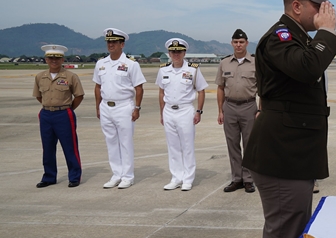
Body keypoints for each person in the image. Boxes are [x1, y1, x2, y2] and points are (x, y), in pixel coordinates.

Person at [242, 0, 336, 238]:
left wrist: (319, 36)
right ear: (297, 6)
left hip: (292, 152)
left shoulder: (296, 37)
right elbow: (307, 68)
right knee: (284, 235)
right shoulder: (280, 38)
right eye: (319, 6)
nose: (325, 11)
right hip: (281, 154)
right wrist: (326, 34)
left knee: (293, 231)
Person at [93, 28, 146, 189]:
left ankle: (128, 176)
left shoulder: (131, 64)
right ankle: (116, 174)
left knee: (125, 142)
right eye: (109, 42)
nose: (111, 45)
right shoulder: (101, 63)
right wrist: (98, 107)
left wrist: (137, 107)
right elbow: (97, 86)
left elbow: (139, 88)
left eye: (114, 42)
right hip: (106, 106)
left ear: (122, 44)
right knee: (111, 142)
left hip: (124, 106)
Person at [156, 38, 208, 191]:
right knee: (173, 146)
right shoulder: (163, 70)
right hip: (168, 111)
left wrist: (198, 111)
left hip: (186, 110)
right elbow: (161, 92)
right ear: (169, 53)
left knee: (187, 146)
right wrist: (161, 113)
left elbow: (201, 90)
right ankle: (176, 177)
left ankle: (188, 178)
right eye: (173, 52)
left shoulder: (193, 69)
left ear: (184, 52)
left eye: (179, 52)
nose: (176, 54)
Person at [33, 44, 85, 188]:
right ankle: (49, 176)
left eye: (57, 58)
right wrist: (49, 106)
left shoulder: (70, 76)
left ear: (62, 59)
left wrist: (67, 108)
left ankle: (74, 176)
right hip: (46, 114)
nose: (54, 60)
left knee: (70, 146)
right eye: (50, 58)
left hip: (64, 114)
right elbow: (39, 96)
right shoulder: (40, 77)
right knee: (47, 147)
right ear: (46, 60)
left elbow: (79, 95)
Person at [216, 28, 259, 193]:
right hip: (230, 107)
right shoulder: (224, 63)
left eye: (241, 42)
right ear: (232, 43)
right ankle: (237, 179)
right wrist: (220, 110)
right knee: (232, 144)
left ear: (247, 43)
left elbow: (262, 89)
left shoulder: (256, 62)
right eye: (236, 42)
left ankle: (249, 179)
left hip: (249, 106)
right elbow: (220, 87)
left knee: (249, 145)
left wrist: (260, 110)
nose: (238, 45)